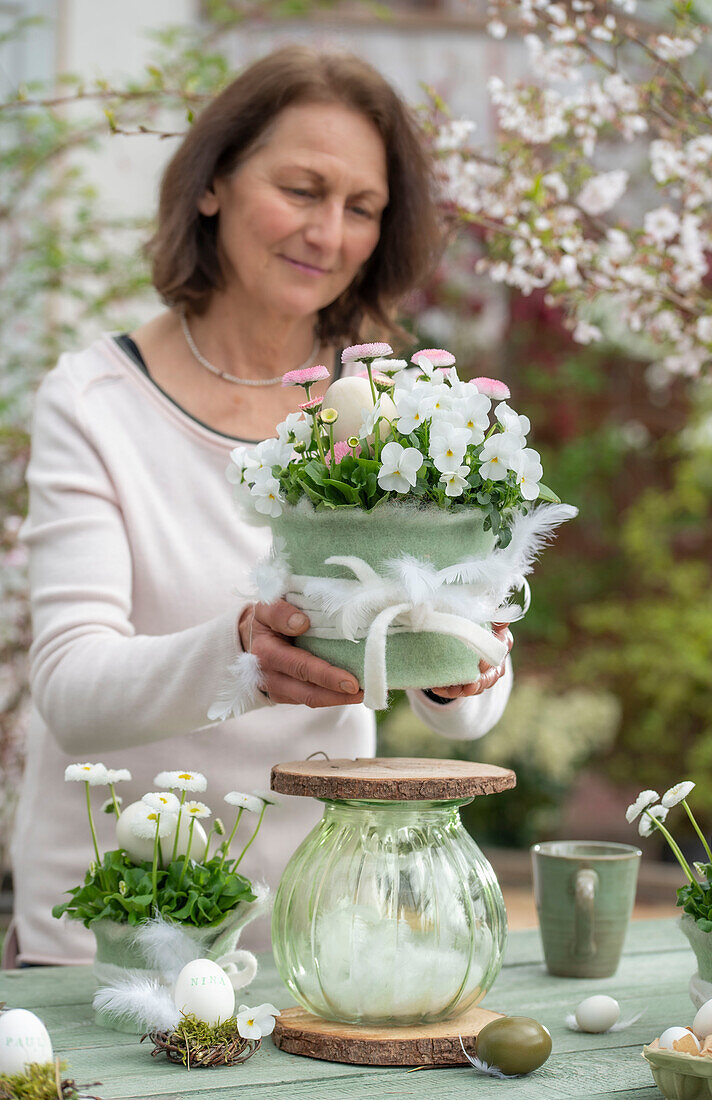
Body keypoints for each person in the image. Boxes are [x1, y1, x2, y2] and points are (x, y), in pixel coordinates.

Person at [7, 45, 513, 967]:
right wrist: (245, 651)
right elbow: (73, 692)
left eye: (361, 208)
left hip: (319, 924)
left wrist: (459, 667)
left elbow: (467, 701)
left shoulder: (398, 407)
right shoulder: (94, 399)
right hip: (109, 927)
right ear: (214, 185)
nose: (329, 233)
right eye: (301, 189)